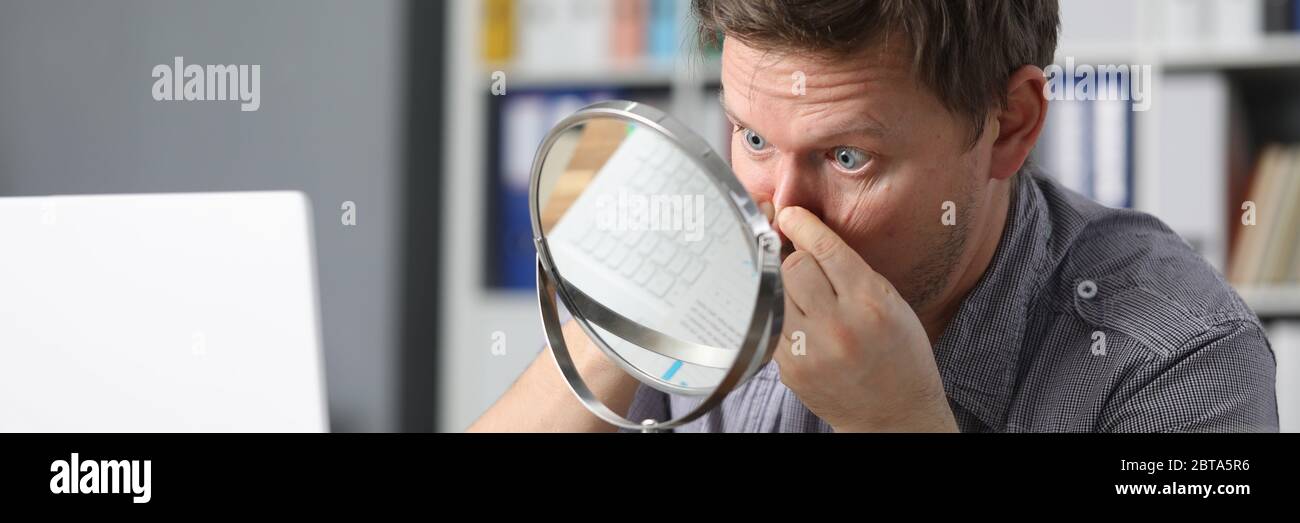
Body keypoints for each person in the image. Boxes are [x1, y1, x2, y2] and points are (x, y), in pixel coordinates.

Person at [469, 0, 1278, 433]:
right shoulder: (717, 235)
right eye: (752, 136)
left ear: (1012, 124)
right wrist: (615, 317)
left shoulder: (1183, 360)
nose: (780, 217)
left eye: (848, 157)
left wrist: (897, 423)